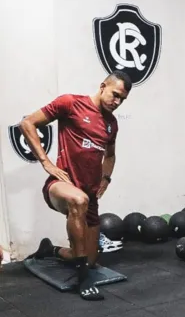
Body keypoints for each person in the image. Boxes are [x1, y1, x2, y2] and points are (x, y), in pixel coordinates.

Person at [19, 71, 132, 301]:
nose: (117, 102)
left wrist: (106, 178)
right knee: (78, 200)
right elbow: (27, 123)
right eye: (115, 95)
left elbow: (110, 155)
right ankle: (83, 280)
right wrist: (46, 162)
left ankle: (49, 250)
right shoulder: (71, 103)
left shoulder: (111, 124)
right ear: (102, 86)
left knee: (89, 259)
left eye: (122, 100)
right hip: (60, 186)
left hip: (90, 197)